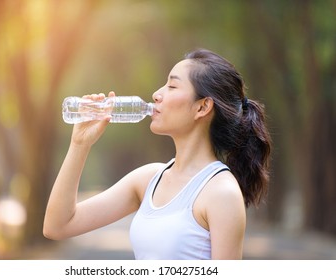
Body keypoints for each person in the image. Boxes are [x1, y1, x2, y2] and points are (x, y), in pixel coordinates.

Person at [43, 48, 271, 260]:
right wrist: (79, 144)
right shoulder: (148, 179)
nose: (156, 94)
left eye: (172, 87)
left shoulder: (221, 193)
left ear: (202, 107)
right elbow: (58, 225)